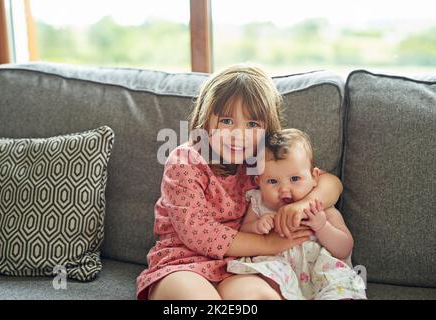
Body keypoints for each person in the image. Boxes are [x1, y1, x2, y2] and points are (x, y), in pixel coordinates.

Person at [136, 65, 343, 300]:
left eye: (252, 124)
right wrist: (268, 244)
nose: (238, 134)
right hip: (182, 262)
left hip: (242, 266)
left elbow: (330, 182)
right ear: (205, 121)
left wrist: (302, 205)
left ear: (267, 130)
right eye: (226, 120)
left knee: (260, 296)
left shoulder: (264, 159)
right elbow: (200, 234)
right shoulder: (185, 162)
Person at [227, 128, 366, 299]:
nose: (284, 189)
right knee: (262, 280)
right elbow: (244, 232)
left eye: (295, 179)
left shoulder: (321, 206)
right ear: (259, 182)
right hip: (278, 268)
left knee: (341, 287)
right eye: (272, 181)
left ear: (314, 176)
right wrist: (258, 226)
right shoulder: (259, 203)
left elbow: (344, 248)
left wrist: (323, 227)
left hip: (321, 270)